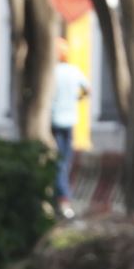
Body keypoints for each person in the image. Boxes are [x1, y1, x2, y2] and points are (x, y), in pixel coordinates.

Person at [51, 40, 91, 220]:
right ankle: (62, 197)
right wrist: (76, 98)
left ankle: (63, 199)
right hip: (70, 119)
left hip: (55, 121)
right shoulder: (74, 71)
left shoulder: (52, 72)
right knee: (65, 160)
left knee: (59, 162)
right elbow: (87, 90)